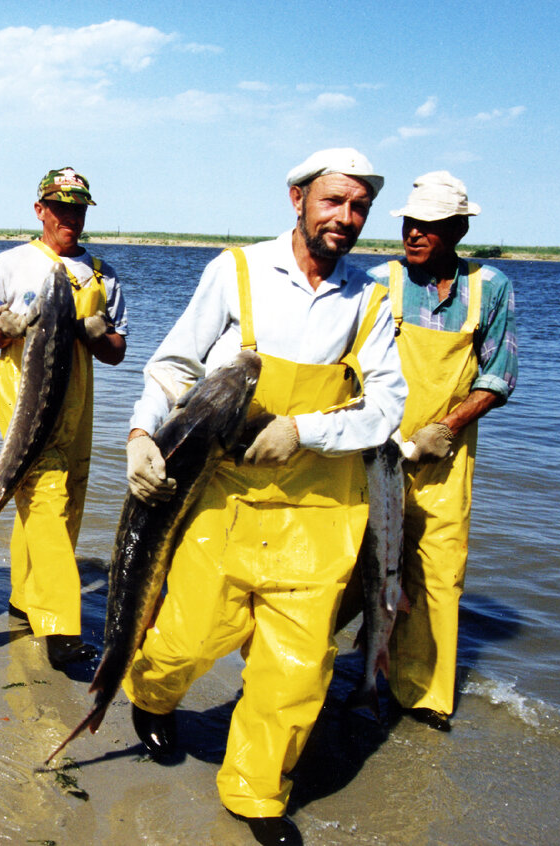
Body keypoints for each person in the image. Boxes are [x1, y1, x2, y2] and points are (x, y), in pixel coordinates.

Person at [123, 149, 406, 846]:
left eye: (359, 208)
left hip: (322, 514)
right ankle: (150, 698)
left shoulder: (369, 298)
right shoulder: (237, 271)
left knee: (296, 671)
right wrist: (140, 433)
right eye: (334, 202)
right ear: (297, 198)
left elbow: (388, 404)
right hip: (226, 500)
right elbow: (173, 364)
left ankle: (256, 794)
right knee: (183, 640)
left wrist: (302, 429)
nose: (346, 218)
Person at [366, 172, 517, 732]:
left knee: (438, 573)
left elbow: (499, 374)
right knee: (359, 562)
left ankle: (423, 692)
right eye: (409, 223)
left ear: (457, 228)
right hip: (379, 452)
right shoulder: (380, 283)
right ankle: (342, 667)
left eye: (428, 226)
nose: (413, 233)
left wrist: (446, 428)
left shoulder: (491, 288)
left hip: (446, 461)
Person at [0, 167, 127, 670]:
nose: (71, 218)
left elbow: (118, 352)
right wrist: (6, 325)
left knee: (69, 502)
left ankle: (24, 598)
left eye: (79, 209)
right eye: (61, 208)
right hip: (24, 396)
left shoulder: (103, 274)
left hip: (78, 404)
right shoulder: (11, 263)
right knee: (43, 497)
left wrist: (94, 332)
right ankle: (61, 627)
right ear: (40, 209)